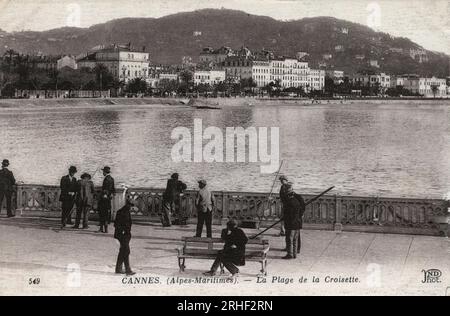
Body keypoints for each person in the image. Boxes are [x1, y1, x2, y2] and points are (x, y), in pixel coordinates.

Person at [282, 183, 306, 260]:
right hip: (297, 224)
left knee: (289, 239)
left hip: (290, 224)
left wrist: (284, 218)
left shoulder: (288, 203)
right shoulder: (297, 201)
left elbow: (287, 214)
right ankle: (294, 254)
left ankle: (290, 254)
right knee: (295, 240)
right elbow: (301, 210)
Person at [114, 195, 136, 276]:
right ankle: (128, 269)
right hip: (123, 235)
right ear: (128, 204)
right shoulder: (124, 212)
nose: (131, 207)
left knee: (123, 251)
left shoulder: (122, 211)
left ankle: (118, 268)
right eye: (131, 205)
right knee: (126, 251)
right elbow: (119, 224)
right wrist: (123, 231)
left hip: (123, 234)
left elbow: (116, 224)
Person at [98, 166, 115, 233]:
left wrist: (104, 194)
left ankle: (102, 228)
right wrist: (111, 194)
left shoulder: (106, 179)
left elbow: (105, 189)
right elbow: (113, 189)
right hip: (108, 199)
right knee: (106, 213)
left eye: (103, 172)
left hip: (104, 198)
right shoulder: (112, 178)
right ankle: (105, 229)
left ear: (105, 172)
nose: (103, 173)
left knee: (102, 213)